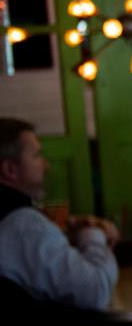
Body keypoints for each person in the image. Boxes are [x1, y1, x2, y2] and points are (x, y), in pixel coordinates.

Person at [0, 118, 117, 310]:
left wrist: (62, 235)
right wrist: (94, 234)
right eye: (38, 156)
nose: (46, 165)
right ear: (10, 170)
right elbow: (96, 290)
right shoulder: (23, 224)